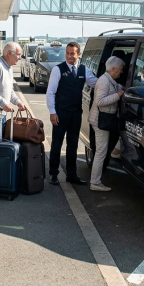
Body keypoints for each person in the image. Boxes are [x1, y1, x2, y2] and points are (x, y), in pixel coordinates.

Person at [46, 41, 98, 185]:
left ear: (78, 54)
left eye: (72, 53)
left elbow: (96, 83)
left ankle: (71, 174)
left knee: (73, 144)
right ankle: (53, 174)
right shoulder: (58, 70)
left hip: (76, 114)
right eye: (67, 53)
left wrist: (114, 85)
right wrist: (52, 112)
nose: (69, 56)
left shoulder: (83, 70)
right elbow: (50, 92)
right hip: (61, 113)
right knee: (57, 144)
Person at [87, 56, 125, 192]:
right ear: (113, 69)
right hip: (100, 121)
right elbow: (100, 101)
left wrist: (121, 88)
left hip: (103, 119)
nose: (121, 72)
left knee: (103, 150)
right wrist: (118, 95)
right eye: (120, 70)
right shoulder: (104, 81)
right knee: (101, 152)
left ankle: (96, 181)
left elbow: (114, 88)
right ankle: (95, 182)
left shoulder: (108, 80)